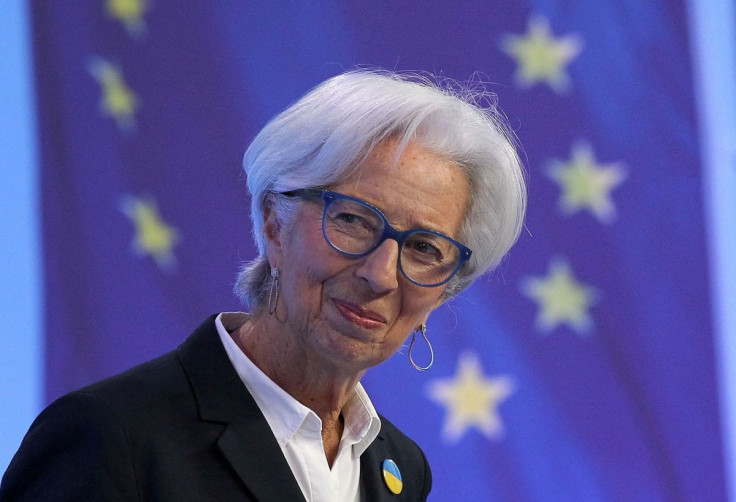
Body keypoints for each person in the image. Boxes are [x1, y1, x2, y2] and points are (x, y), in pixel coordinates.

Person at [0, 69, 526, 501]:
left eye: (424, 249)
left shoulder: (400, 470)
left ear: (446, 290)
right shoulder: (111, 437)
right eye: (354, 221)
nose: (380, 274)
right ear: (275, 224)